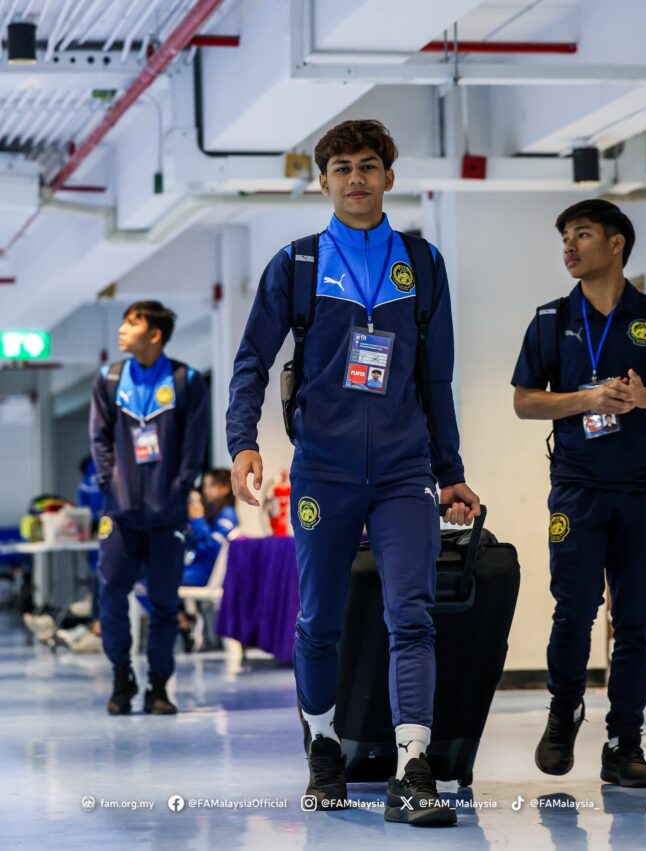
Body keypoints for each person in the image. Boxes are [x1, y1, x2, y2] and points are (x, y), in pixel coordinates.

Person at [227, 119, 479, 827]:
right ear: (322, 181)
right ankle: (325, 750)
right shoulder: (297, 265)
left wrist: (449, 470)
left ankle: (413, 766)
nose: (355, 178)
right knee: (317, 620)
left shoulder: (421, 264)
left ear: (389, 178)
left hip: (403, 472)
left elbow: (437, 377)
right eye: (340, 168)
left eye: (368, 165)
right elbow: (251, 360)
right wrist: (241, 441)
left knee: (411, 613)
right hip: (323, 472)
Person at [512, 199, 646, 788]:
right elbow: (525, 400)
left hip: (639, 491)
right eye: (564, 235)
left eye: (581, 234)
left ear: (616, 245)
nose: (568, 245)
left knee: (635, 623)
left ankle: (624, 742)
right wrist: (584, 400)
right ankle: (564, 713)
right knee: (575, 610)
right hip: (577, 489)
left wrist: (645, 399)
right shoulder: (551, 319)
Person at [90, 301, 208, 715]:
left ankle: (158, 686)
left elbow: (194, 447)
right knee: (111, 592)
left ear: (154, 335)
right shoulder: (109, 379)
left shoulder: (186, 380)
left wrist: (176, 493)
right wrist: (110, 485)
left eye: (132, 323)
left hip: (167, 514)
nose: (122, 329)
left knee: (164, 602)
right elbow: (100, 441)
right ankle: (121, 676)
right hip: (120, 514)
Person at [178, 470, 239, 650]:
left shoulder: (227, 514)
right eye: (205, 485)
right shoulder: (210, 512)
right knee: (146, 580)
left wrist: (197, 521)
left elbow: (212, 548)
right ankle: (185, 620)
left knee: (152, 582)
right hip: (195, 568)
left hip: (207, 573)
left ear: (225, 488)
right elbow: (192, 543)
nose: (206, 490)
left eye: (212, 485)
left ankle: (185, 621)